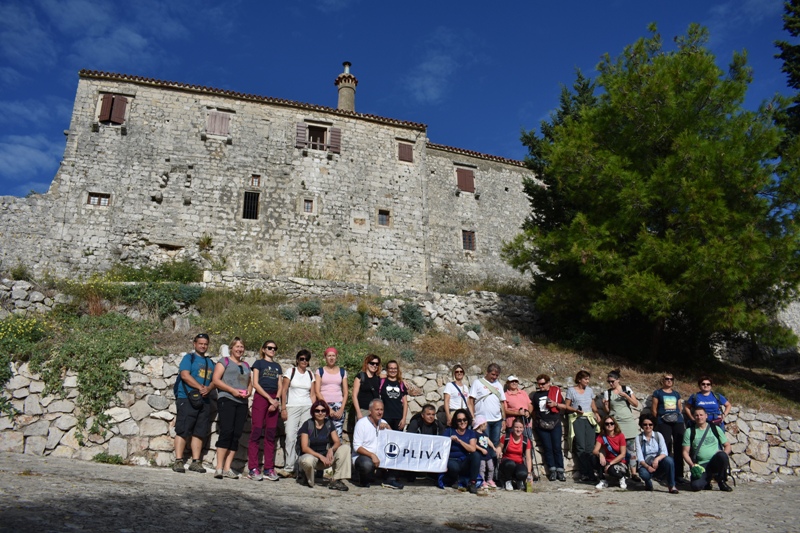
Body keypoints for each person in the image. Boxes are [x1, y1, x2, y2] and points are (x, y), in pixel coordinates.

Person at [173, 333, 216, 473]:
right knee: (183, 429)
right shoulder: (188, 358)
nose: (203, 346)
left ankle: (196, 462)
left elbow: (215, 380)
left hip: (204, 399)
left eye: (205, 344)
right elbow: (185, 375)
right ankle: (178, 460)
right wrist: (200, 387)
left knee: (199, 431)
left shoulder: (210, 362)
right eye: (200, 343)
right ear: (195, 344)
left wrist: (209, 388)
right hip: (187, 398)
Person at [211, 337, 252, 479]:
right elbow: (216, 380)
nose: (240, 349)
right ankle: (219, 467)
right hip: (227, 399)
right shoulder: (224, 362)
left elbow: (249, 382)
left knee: (236, 434)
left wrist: (249, 391)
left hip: (242, 402)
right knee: (226, 431)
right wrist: (232, 390)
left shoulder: (246, 365)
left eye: (242, 347)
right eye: (237, 346)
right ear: (231, 348)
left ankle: (228, 468)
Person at [247, 340, 282, 482]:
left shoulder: (277, 366)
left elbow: (280, 385)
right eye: (269, 347)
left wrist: (276, 400)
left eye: (274, 348)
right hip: (262, 397)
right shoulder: (258, 364)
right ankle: (253, 468)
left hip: (274, 399)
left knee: (271, 434)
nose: (272, 350)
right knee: (256, 431)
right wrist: (269, 399)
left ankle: (269, 468)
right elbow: (255, 383)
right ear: (263, 349)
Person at [297, 400, 351, 491]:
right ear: (313, 412)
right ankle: (307, 476)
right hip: (311, 457)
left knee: (345, 448)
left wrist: (331, 449)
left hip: (326, 459)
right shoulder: (307, 424)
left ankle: (336, 480)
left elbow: (337, 442)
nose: (320, 413)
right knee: (308, 460)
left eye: (323, 410)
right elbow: (304, 447)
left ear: (326, 412)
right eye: (317, 411)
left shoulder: (329, 424)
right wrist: (320, 456)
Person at [279, 349, 317, 476]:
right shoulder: (291, 372)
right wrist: (283, 408)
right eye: (302, 359)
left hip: (307, 407)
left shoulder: (310, 374)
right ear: (297, 360)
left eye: (306, 359)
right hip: (292, 406)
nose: (304, 361)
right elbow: (284, 390)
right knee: (290, 435)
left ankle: (301, 468)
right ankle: (289, 467)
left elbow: (312, 394)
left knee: (304, 437)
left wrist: (315, 410)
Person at [351, 399, 403, 489]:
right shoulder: (361, 423)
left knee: (397, 454)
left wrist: (388, 427)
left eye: (381, 410)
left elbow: (393, 440)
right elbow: (357, 447)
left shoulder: (383, 422)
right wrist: (372, 455)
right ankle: (363, 480)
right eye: (377, 409)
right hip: (364, 456)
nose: (380, 412)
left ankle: (390, 479)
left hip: (381, 456)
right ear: (370, 411)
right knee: (366, 464)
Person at [682, 406, 733, 492]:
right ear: (693, 417)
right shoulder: (689, 432)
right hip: (701, 465)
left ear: (706, 416)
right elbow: (685, 452)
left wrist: (724, 453)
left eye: (701, 415)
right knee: (696, 486)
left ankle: (721, 481)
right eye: (697, 415)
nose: (699, 417)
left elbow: (727, 445)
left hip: (715, 461)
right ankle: (707, 481)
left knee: (722, 456)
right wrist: (692, 465)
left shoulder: (715, 429)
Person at [651, 373, 687, 484]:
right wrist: (659, 420)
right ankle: (664, 473)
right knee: (665, 446)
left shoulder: (676, 394)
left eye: (671, 379)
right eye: (667, 379)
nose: (669, 381)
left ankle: (679, 475)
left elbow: (679, 408)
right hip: (663, 421)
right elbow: (654, 409)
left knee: (679, 446)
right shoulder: (658, 393)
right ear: (663, 380)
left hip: (677, 421)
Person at [603, 369, 639, 479]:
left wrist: (626, 396)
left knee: (631, 449)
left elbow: (636, 404)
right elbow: (608, 411)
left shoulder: (626, 389)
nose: (611, 384)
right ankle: (622, 471)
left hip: (628, 422)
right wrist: (605, 405)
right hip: (616, 423)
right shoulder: (608, 393)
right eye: (609, 382)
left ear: (618, 380)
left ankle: (634, 473)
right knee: (617, 449)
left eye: (612, 381)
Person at [565, 370, 600, 482]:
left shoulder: (589, 390)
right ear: (579, 379)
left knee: (590, 447)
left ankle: (590, 472)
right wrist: (576, 410)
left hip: (589, 419)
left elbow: (592, 403)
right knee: (581, 447)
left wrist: (596, 413)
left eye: (588, 379)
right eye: (585, 379)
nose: (587, 381)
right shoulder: (571, 390)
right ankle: (585, 473)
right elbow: (567, 406)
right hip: (578, 419)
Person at [530, 374, 566, 481]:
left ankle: (560, 471)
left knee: (557, 447)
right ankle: (552, 471)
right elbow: (534, 409)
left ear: (548, 383)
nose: (541, 386)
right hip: (542, 424)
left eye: (543, 384)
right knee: (547, 448)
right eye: (539, 384)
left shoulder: (555, 392)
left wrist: (555, 404)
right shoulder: (536, 395)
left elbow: (564, 406)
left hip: (555, 422)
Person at [441, 408, 481, 494]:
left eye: (464, 419)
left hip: (464, 461)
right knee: (454, 467)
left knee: (476, 455)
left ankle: (472, 483)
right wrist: (449, 440)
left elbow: (472, 449)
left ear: (467, 420)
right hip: (452, 459)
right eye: (459, 420)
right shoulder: (449, 431)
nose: (462, 422)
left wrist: (459, 441)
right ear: (456, 421)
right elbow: (441, 445)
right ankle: (453, 479)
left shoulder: (471, 433)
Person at [636, 414, 679, 494]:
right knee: (643, 473)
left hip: (658, 463)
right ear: (641, 425)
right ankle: (648, 482)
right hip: (646, 464)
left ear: (653, 425)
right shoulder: (639, 438)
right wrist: (648, 467)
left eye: (650, 424)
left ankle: (671, 485)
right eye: (645, 424)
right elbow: (640, 457)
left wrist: (657, 459)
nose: (648, 426)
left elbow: (664, 452)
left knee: (669, 460)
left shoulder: (658, 435)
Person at [469, 363, 506, 447]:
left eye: (496, 375)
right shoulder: (477, 383)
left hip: (497, 420)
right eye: (493, 374)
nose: (494, 377)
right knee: (484, 444)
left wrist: (504, 419)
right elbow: (471, 401)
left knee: (495, 443)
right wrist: (473, 417)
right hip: (483, 420)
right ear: (487, 372)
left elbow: (502, 403)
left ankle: (493, 456)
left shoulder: (499, 385)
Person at [314, 346, 348, 438]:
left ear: (336, 357)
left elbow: (345, 392)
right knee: (323, 433)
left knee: (337, 434)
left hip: (338, 405)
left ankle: (337, 448)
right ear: (325, 357)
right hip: (323, 405)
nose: (331, 358)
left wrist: (341, 409)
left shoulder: (342, 372)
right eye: (329, 356)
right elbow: (317, 391)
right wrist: (328, 408)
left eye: (333, 355)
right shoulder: (320, 371)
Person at [498, 417, 534, 491]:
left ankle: (519, 480)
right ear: (512, 427)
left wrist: (529, 474)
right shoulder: (506, 437)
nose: (518, 430)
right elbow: (499, 447)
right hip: (507, 463)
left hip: (519, 463)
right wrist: (498, 450)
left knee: (523, 473)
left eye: (520, 427)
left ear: (523, 428)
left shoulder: (526, 441)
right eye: (516, 427)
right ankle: (507, 480)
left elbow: (528, 458)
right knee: (510, 464)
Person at [592, 416, 627, 490]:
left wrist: (610, 464)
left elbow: (623, 454)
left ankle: (621, 477)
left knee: (611, 470)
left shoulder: (620, 436)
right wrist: (600, 454)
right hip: (607, 460)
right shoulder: (602, 436)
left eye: (611, 423)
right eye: (607, 424)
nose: (609, 425)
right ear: (604, 425)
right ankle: (603, 480)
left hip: (618, 461)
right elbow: (595, 451)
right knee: (594, 458)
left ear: (615, 424)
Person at [379, 360, 408, 431]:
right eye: (391, 368)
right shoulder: (382, 381)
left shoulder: (401, 384)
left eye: (395, 368)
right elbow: (375, 375)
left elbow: (405, 403)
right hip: (384, 417)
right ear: (387, 369)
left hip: (398, 418)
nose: (393, 370)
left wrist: (404, 418)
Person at [352, 354, 381, 420]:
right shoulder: (360, 377)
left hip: (375, 411)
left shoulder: (378, 378)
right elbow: (354, 396)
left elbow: (391, 376)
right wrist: (358, 412)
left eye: (377, 364)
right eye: (372, 363)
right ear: (367, 363)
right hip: (363, 410)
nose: (374, 365)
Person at [504, 375, 533, 439]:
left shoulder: (523, 393)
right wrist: (517, 413)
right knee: (512, 442)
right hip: (512, 424)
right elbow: (504, 410)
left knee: (528, 441)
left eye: (516, 381)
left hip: (526, 423)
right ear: (508, 383)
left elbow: (530, 405)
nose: (514, 383)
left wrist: (528, 412)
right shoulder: (505, 395)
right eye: (512, 381)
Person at [473, 415, 498, 489]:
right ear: (481, 425)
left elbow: (488, 441)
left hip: (487, 454)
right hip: (480, 454)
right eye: (485, 425)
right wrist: (481, 449)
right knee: (482, 468)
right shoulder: (475, 434)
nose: (486, 427)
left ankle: (490, 479)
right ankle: (482, 480)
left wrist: (493, 447)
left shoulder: (484, 434)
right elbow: (474, 444)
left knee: (491, 467)